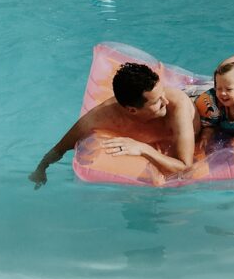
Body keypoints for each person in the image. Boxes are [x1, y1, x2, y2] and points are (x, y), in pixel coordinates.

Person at [28, 61, 198, 187]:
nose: (166, 101)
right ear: (132, 110)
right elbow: (60, 148)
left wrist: (144, 149)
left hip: (203, 111)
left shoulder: (177, 105)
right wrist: (41, 170)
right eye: (157, 101)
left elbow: (185, 168)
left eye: (163, 93)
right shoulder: (100, 118)